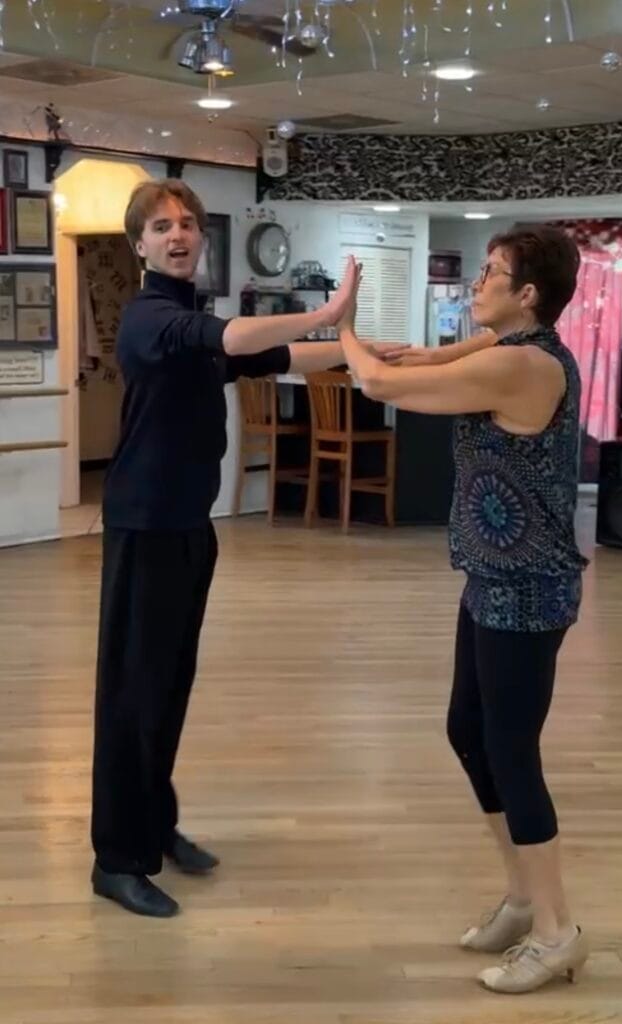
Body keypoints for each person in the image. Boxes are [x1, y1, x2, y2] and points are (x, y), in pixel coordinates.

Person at [91, 179, 402, 918]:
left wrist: (363, 350)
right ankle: (116, 858)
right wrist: (329, 310)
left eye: (188, 224)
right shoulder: (149, 319)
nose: (178, 234)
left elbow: (275, 354)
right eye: (162, 226)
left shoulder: (188, 319)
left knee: (168, 689)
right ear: (139, 244)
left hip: (188, 529)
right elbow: (230, 338)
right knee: (132, 697)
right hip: (142, 529)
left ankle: (155, 826)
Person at [337, 227, 589, 994]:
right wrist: (410, 350)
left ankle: (557, 931)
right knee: (466, 731)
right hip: (490, 575)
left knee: (510, 751)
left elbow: (379, 386)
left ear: (528, 296)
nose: (476, 283)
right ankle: (520, 897)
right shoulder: (507, 348)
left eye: (491, 274)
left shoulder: (523, 366)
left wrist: (341, 322)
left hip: (529, 586)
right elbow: (434, 357)